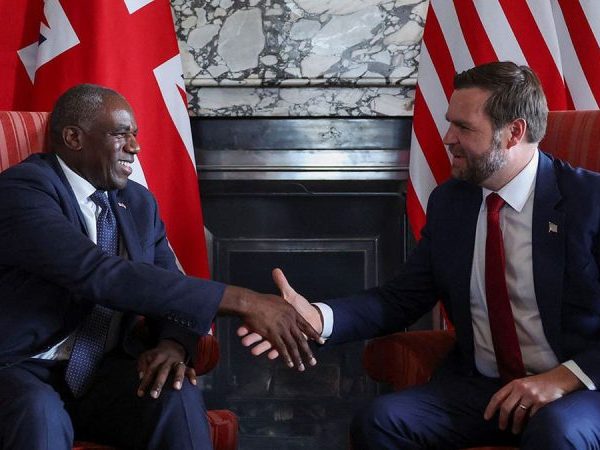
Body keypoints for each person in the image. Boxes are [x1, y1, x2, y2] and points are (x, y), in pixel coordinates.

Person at [239, 61, 600, 449]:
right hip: (485, 388)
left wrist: (562, 379)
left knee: (556, 431)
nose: (447, 138)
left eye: (463, 127)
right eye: (450, 123)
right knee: (380, 421)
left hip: (578, 388)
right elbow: (401, 299)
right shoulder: (451, 203)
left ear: (514, 132)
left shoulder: (589, 202)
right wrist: (317, 317)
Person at [0, 84, 322, 450]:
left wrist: (173, 345)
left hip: (101, 372)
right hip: (19, 367)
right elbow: (99, 274)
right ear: (74, 138)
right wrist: (246, 301)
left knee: (174, 394)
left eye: (135, 135)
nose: (135, 146)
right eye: (121, 134)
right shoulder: (23, 190)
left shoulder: (138, 203)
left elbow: (167, 283)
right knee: (39, 414)